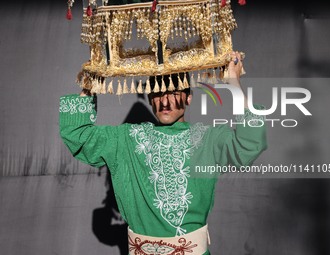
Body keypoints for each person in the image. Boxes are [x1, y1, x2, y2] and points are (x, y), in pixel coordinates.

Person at [59, 51, 267, 255]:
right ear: (151, 98)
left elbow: (249, 144)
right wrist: (91, 84)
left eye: (174, 92)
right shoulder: (127, 139)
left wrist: (234, 84)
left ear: (188, 98)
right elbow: (78, 134)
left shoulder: (208, 139)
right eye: (158, 92)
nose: (165, 101)